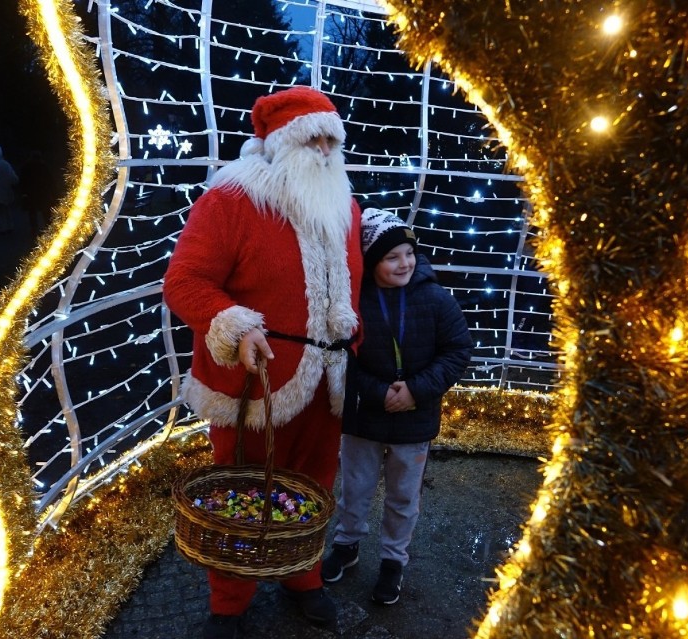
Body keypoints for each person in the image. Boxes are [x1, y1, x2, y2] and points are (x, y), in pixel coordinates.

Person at [162, 86, 363, 639]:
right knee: (242, 493)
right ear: (277, 143)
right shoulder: (230, 200)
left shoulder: (344, 203)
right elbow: (184, 282)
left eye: (331, 138)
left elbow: (348, 290)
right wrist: (236, 325)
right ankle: (230, 602)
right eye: (311, 138)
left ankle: (303, 576)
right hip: (254, 384)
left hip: (326, 380)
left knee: (314, 483)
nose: (325, 150)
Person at [320, 208, 473, 605]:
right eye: (392, 257)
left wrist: (416, 391)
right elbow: (342, 357)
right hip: (364, 418)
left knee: (404, 496)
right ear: (372, 262)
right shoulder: (353, 303)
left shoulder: (436, 298)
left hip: (414, 420)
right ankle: (347, 544)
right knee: (354, 488)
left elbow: (457, 351)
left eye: (408, 252)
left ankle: (393, 559)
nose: (404, 262)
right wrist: (377, 392)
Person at [19, 150, 54, 237]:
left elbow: (23, 181)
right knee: (45, 212)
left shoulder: (26, 167)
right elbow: (50, 180)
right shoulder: (43, 166)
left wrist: (23, 193)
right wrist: (53, 193)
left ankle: (34, 230)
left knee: (32, 213)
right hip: (43, 193)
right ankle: (48, 229)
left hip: (31, 194)